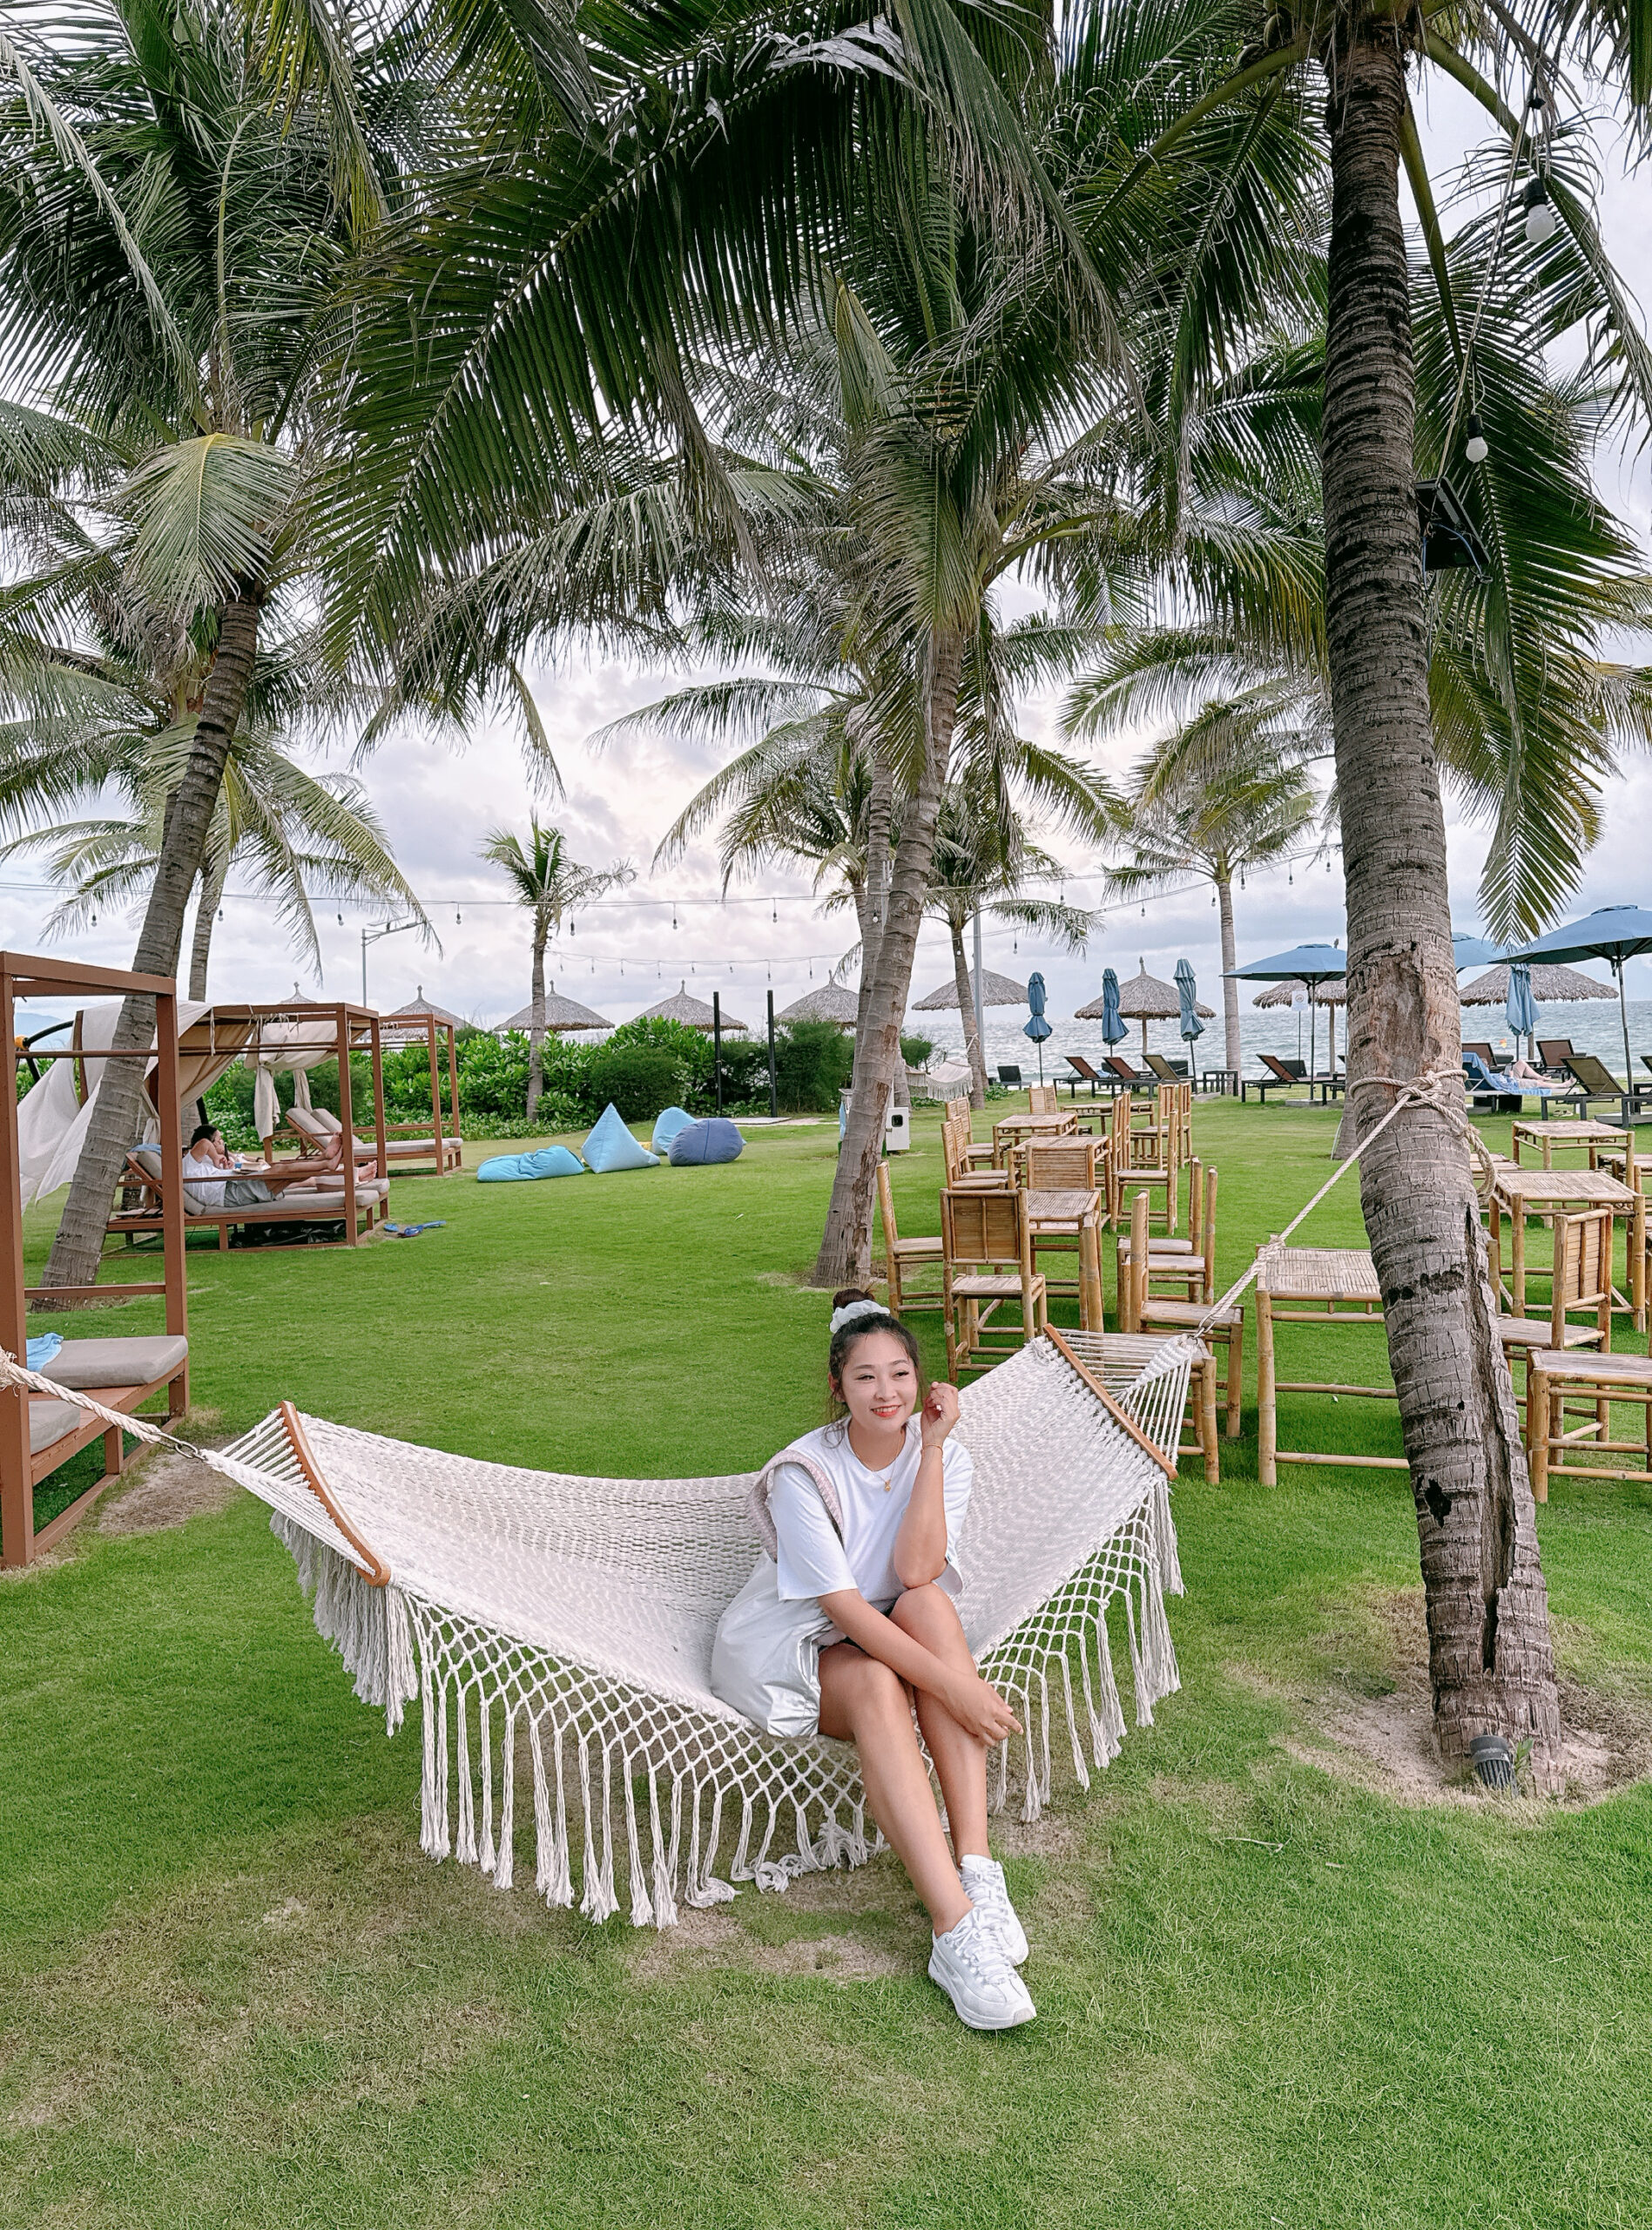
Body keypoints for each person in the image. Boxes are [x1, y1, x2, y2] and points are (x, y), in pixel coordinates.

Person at [711, 1289, 1035, 2031]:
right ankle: (953, 1931)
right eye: (864, 1377)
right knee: (881, 1683)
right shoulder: (803, 1475)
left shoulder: (944, 1457)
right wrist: (960, 1688)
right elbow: (844, 1610)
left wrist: (928, 1449)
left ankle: (979, 1874)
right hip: (789, 1646)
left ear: (920, 1383)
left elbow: (916, 1571)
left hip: (886, 1621)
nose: (885, 1393)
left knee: (929, 1605)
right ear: (837, 1386)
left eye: (899, 1374)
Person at [182, 1124, 273, 1206]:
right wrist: (216, 1157)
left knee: (275, 1175)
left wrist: (228, 1164)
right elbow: (204, 1143)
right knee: (276, 1176)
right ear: (212, 1143)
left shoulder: (216, 1160)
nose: (222, 1142)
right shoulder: (194, 1162)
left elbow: (241, 1159)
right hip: (229, 1190)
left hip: (235, 1182)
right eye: (219, 1139)